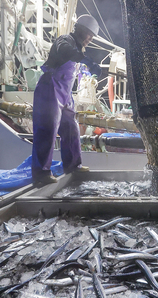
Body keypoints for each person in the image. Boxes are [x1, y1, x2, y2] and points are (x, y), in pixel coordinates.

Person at [32, 15, 102, 184]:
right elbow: (65, 50)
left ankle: (73, 166)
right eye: (89, 35)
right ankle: (41, 174)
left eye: (92, 37)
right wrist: (87, 61)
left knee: (71, 128)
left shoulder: (78, 48)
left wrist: (86, 61)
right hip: (51, 88)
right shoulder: (65, 40)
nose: (90, 39)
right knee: (47, 129)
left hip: (65, 94)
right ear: (80, 29)